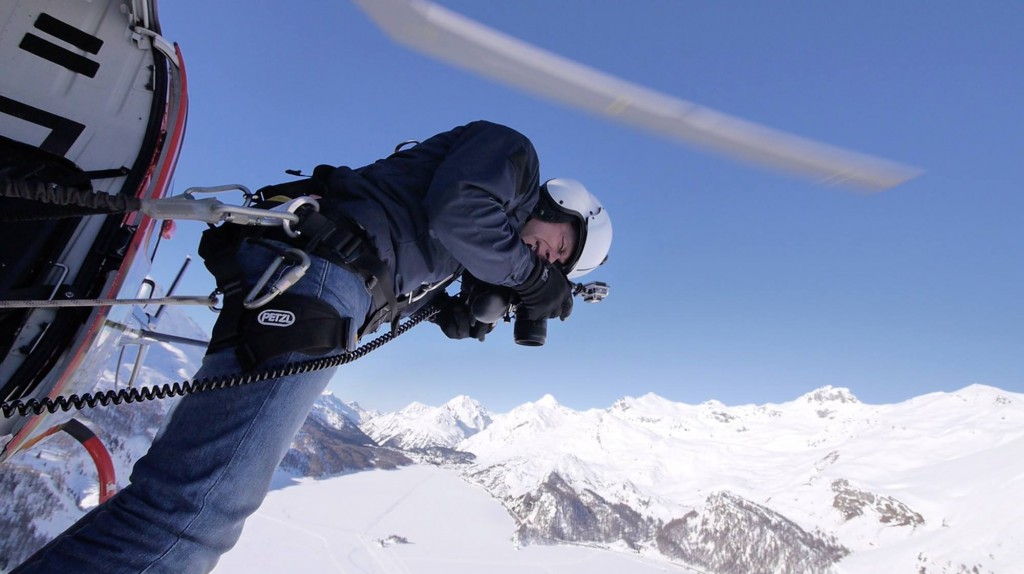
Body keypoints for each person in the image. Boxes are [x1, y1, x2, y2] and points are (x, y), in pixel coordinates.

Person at [12, 119, 612, 574]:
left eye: (555, 264)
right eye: (559, 249)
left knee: (192, 504)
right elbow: (457, 212)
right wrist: (532, 282)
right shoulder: (514, 154)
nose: (546, 260)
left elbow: (406, 252)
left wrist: (444, 309)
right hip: (320, 279)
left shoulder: (480, 231)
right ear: (563, 206)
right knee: (194, 514)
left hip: (318, 284)